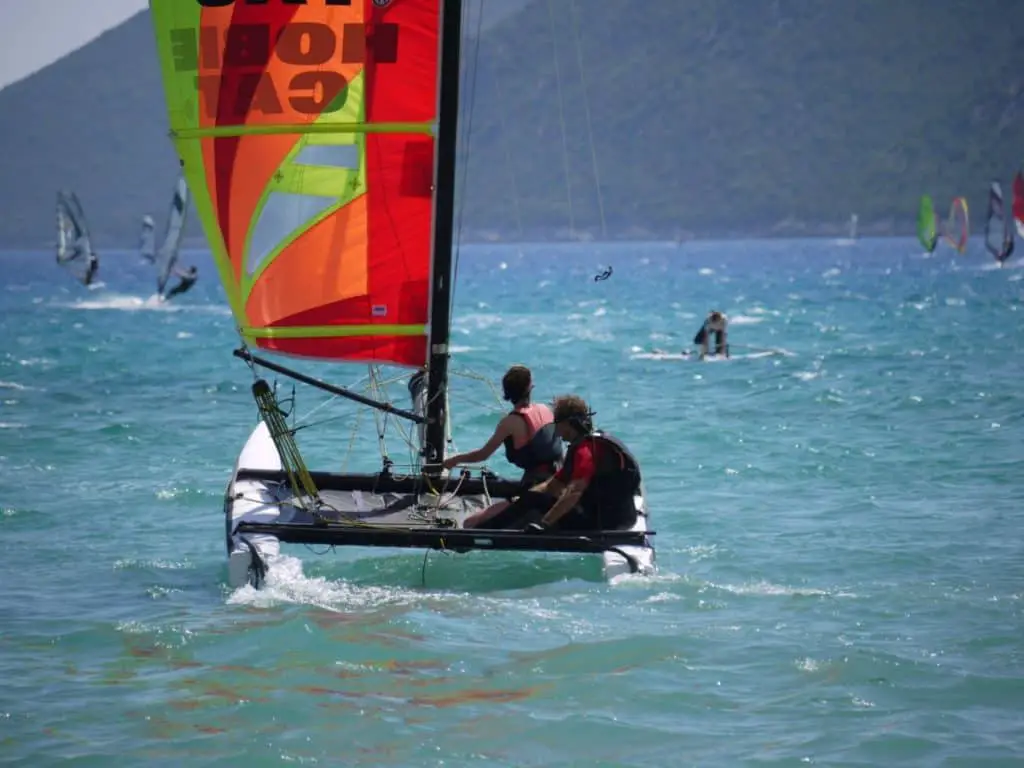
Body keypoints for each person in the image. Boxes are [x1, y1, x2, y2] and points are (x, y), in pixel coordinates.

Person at [466, 394, 642, 532]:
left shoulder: (585, 451)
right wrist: (523, 499)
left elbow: (574, 491)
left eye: (557, 424)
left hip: (604, 524)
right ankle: (484, 529)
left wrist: (544, 524)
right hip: (622, 517)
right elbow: (553, 485)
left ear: (569, 423)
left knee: (536, 501)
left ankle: (481, 532)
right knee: (532, 496)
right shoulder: (591, 443)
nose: (556, 432)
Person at [444, 365, 563, 487]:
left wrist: (454, 460)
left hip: (537, 485)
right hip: (561, 476)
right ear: (530, 387)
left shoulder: (509, 422)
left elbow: (483, 454)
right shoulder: (547, 409)